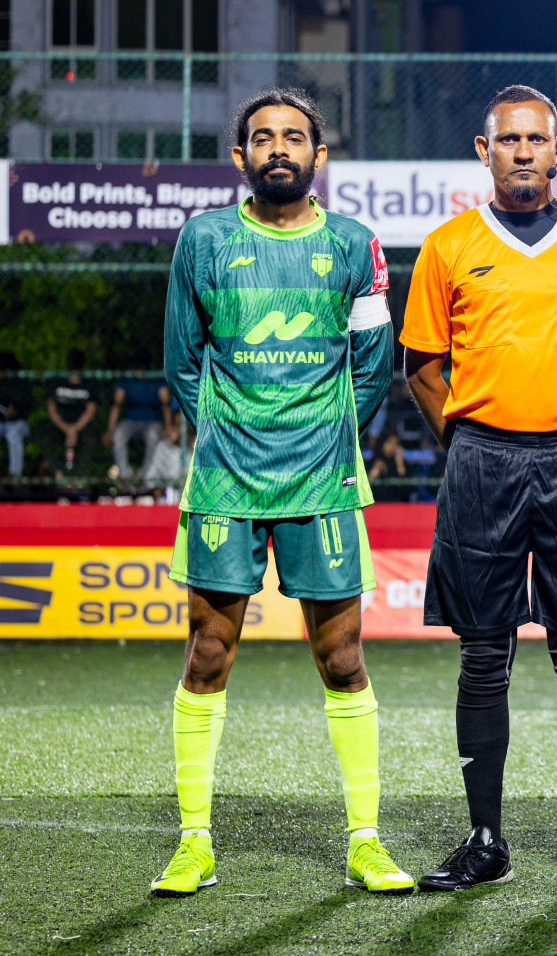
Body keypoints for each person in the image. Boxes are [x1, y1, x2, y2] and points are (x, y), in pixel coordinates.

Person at [156, 88, 411, 898]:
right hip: (226, 480)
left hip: (325, 483)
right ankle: (194, 842)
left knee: (342, 660)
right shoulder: (204, 239)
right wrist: (229, 431)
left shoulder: (355, 245)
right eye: (261, 138)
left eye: (293, 138)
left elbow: (373, 366)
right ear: (239, 158)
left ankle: (366, 842)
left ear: (318, 157)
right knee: (207, 657)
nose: (277, 149)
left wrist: (327, 436)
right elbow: (181, 358)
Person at [402, 84, 557, 894]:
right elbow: (422, 366)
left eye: (538, 139)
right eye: (510, 141)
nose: (525, 152)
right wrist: (464, 439)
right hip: (482, 464)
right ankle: (485, 839)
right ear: (484, 150)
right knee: (482, 655)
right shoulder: (447, 245)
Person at [103, 349, 171, 479]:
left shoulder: (155, 378)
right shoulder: (126, 380)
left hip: (152, 421)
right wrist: (109, 429)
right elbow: (116, 405)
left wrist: (168, 426)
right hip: (131, 421)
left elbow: (166, 404)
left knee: (153, 435)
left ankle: (144, 476)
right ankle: (125, 475)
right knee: (118, 434)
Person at [44, 350, 99, 475]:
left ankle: (77, 476)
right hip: (60, 421)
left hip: (81, 423)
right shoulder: (57, 381)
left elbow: (91, 410)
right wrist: (66, 428)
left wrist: (74, 429)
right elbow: (51, 409)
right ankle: (58, 474)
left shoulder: (89, 383)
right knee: (46, 438)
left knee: (91, 440)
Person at [0, 352, 32, 477]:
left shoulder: (21, 382)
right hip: (2, 423)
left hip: (19, 423)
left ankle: (15, 475)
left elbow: (27, 404)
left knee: (13, 434)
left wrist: (16, 410)